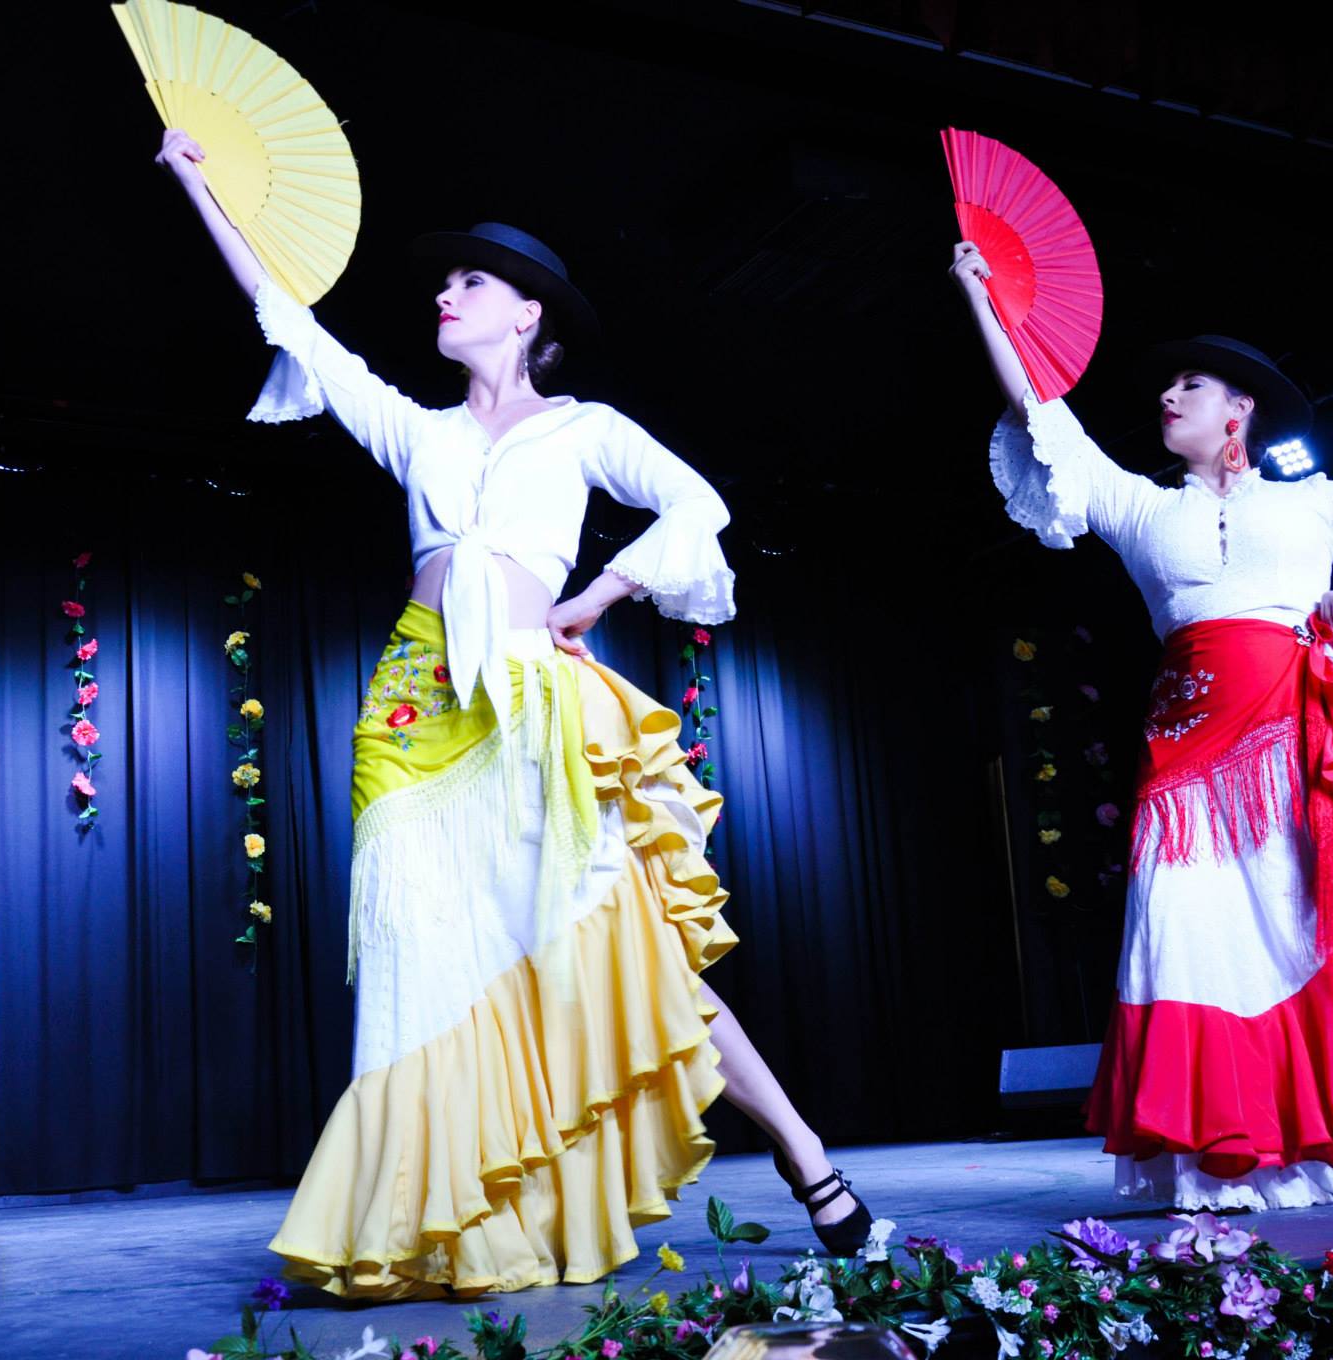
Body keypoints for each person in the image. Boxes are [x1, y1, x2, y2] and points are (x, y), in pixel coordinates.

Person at [153, 128, 873, 1299]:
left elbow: (696, 505)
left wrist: (598, 592)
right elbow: (291, 322)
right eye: (443, 281)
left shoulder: (585, 429)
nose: (444, 293)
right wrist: (198, 185)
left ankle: (803, 1151)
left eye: (470, 280)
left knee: (625, 949)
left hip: (533, 700)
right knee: (422, 976)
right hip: (411, 711)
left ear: (529, 313)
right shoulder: (419, 430)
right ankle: (438, 1222)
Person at [952, 240, 1333, 1211]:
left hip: (1303, 736)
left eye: (1190, 385)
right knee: (1194, 941)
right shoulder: (1135, 505)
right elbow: (1042, 414)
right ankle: (1229, 1155)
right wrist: (981, 298)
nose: (1168, 397)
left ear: (1239, 409)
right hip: (1185, 764)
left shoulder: (1314, 503)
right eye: (1165, 388)